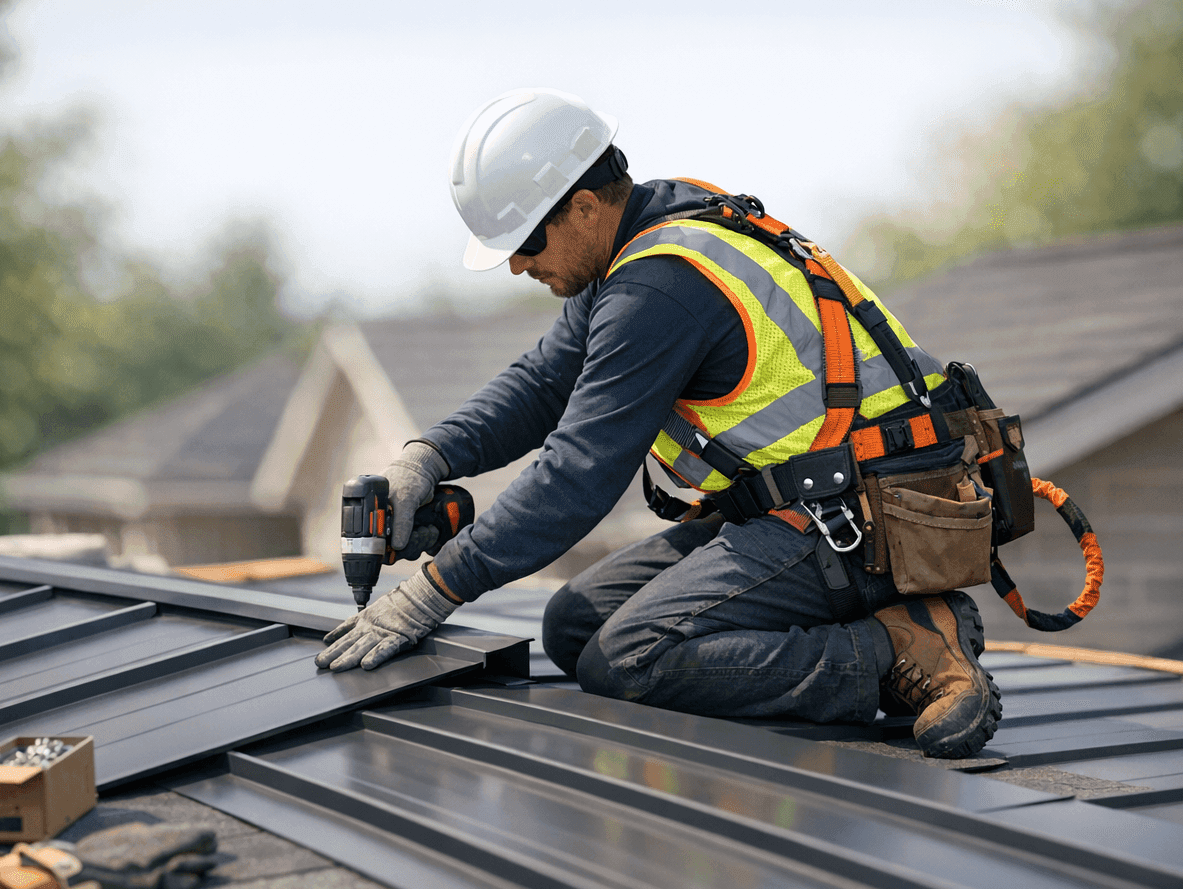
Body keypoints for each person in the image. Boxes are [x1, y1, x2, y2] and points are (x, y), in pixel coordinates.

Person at [316, 88, 1002, 759]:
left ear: (584, 205)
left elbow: (577, 475)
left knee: (628, 659)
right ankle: (868, 624)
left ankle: (898, 645)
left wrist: (431, 594)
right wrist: (428, 458)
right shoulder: (645, 240)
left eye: (525, 241)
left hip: (869, 512)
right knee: (575, 627)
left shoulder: (660, 286)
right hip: (804, 503)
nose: (519, 265)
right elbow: (544, 382)